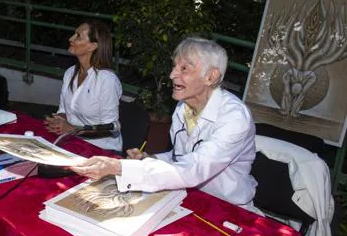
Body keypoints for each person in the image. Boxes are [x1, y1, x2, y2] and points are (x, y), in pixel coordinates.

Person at [71, 37, 258, 209]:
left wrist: (119, 167)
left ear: (211, 76)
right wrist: (149, 159)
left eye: (184, 68)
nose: (172, 75)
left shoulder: (235, 116)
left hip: (229, 207)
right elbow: (179, 157)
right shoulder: (182, 107)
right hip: (189, 197)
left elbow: (195, 168)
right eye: (174, 66)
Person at [44, 21, 123, 152]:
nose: (71, 39)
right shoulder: (70, 73)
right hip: (73, 142)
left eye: (78, 36)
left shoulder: (107, 80)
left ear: (92, 46)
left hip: (102, 150)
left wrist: (72, 129)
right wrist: (59, 121)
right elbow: (63, 110)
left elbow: (110, 128)